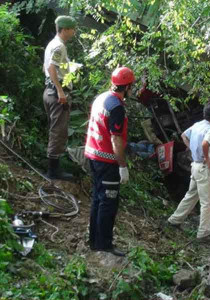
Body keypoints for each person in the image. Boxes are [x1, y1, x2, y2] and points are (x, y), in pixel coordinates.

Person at [85, 67, 135, 257]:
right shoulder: (117, 108)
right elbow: (116, 139)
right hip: (106, 160)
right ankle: (104, 245)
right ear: (127, 86)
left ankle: (94, 241)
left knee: (98, 198)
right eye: (132, 87)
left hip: (93, 155)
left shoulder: (101, 98)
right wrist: (122, 166)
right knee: (108, 201)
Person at [167, 102, 210, 243]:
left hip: (195, 166)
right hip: (203, 168)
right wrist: (208, 158)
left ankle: (175, 220)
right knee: (207, 202)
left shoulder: (197, 125)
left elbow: (184, 135)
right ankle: (203, 234)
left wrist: (191, 148)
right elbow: (205, 144)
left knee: (191, 195)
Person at [43, 15, 77, 180]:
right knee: (59, 131)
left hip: (50, 92)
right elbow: (51, 67)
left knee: (55, 130)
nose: (74, 32)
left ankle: (53, 167)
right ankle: (53, 171)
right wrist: (60, 91)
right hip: (57, 94)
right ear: (64, 30)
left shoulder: (53, 44)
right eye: (72, 29)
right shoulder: (59, 46)